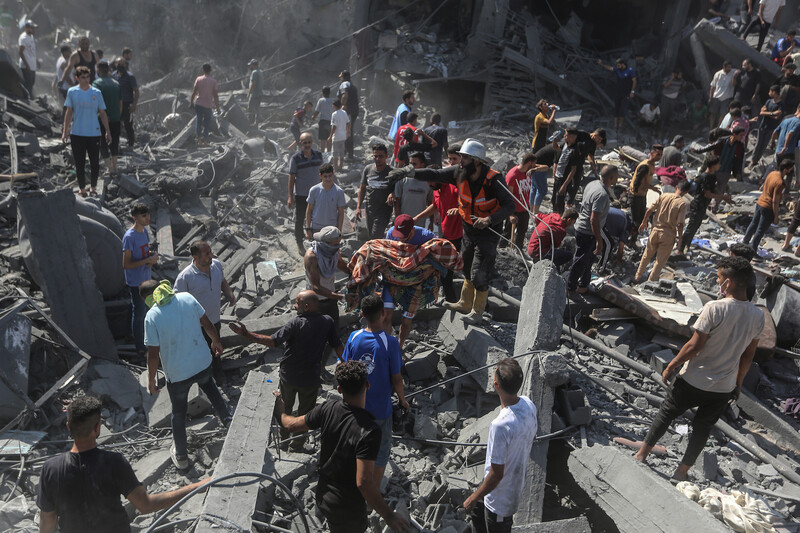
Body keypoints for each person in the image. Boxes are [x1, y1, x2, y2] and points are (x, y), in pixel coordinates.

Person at [634, 257, 764, 481]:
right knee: (702, 428)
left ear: (730, 282)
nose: (717, 281)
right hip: (723, 386)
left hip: (694, 379)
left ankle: (641, 454)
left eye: (720, 278)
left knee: (666, 413)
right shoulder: (758, 316)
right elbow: (748, 356)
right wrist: (738, 384)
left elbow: (695, 345)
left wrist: (672, 365)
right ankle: (681, 472)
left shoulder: (714, 308)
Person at [36, 396, 211, 533]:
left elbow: (48, 520)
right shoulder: (113, 462)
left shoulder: (50, 469)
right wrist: (196, 486)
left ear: (68, 427)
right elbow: (145, 505)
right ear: (97, 427)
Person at [274, 361, 410, 533]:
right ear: (367, 385)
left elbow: (291, 425)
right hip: (348, 508)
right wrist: (389, 516)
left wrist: (280, 410)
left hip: (324, 497)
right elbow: (364, 482)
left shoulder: (327, 408)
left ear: (339, 389)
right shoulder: (369, 431)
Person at [402, 139, 515, 323]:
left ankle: (478, 312)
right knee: (467, 266)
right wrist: (411, 172)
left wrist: (489, 219)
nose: (460, 162)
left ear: (477, 161)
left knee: (480, 273)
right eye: (460, 157)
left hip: (488, 232)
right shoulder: (458, 173)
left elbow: (510, 205)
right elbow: (435, 173)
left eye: (465, 158)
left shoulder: (494, 179)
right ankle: (464, 302)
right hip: (469, 229)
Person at [231, 291, 343, 442]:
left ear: (307, 306)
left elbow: (272, 341)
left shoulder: (295, 323)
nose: (295, 306)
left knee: (285, 409)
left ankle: (283, 440)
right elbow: (338, 346)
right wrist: (346, 365)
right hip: (310, 379)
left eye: (297, 303)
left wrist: (246, 334)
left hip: (288, 377)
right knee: (306, 414)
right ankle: (297, 444)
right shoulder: (327, 322)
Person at [142, 280, 231, 469]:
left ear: (148, 299)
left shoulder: (152, 316)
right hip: (202, 362)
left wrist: (151, 380)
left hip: (178, 374)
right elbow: (207, 323)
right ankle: (229, 422)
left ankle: (181, 457)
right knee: (212, 390)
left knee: (178, 412)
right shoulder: (187, 298)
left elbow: (153, 353)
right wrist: (216, 341)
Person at [463, 358, 537, 533]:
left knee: (492, 522)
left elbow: (497, 475)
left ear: (495, 384)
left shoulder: (500, 425)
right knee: (477, 515)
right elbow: (532, 437)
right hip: (497, 487)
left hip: (501, 500)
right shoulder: (528, 404)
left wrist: (473, 497)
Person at [342, 294, 409, 485]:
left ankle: (356, 483)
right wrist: (403, 401)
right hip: (381, 410)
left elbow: (344, 367)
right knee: (380, 451)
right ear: (383, 313)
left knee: (357, 446)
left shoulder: (354, 337)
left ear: (362, 314)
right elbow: (397, 378)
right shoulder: (391, 343)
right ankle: (373, 492)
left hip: (356, 408)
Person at [174, 240, 236, 377]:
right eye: (207, 253)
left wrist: (229, 293)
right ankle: (204, 381)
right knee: (200, 355)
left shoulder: (216, 265)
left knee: (216, 350)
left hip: (214, 320)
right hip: (196, 326)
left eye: (210, 252)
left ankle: (218, 376)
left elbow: (222, 281)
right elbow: (177, 304)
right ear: (195, 257)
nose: (211, 256)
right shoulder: (185, 278)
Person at [384, 214, 437, 346]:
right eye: (398, 237)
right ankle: (386, 346)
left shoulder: (427, 237)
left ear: (412, 231)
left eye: (404, 237)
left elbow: (440, 256)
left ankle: (399, 345)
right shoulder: (391, 234)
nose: (400, 241)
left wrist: (430, 270)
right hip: (393, 279)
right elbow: (385, 253)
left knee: (407, 321)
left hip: (416, 284)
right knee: (386, 314)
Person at [567, 165, 618, 296]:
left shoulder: (593, 183)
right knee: (580, 261)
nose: (617, 179)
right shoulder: (602, 195)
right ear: (611, 178)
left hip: (583, 229)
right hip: (587, 232)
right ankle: (570, 289)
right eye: (616, 177)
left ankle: (583, 286)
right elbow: (594, 219)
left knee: (588, 260)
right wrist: (599, 240)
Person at [62, 66, 112, 197]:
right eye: (83, 77)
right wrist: (65, 131)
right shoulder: (72, 92)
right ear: (77, 78)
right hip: (77, 133)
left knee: (94, 162)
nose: (86, 80)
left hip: (94, 133)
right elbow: (69, 112)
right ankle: (82, 188)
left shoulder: (96, 92)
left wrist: (108, 131)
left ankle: (93, 187)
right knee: (79, 162)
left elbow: (103, 113)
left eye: (88, 77)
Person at [634, 181, 690, 283]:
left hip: (655, 230)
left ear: (676, 187)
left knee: (646, 255)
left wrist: (644, 222)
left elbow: (649, 210)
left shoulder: (664, 196)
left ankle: (637, 277)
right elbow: (680, 224)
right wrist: (680, 239)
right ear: (686, 192)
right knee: (659, 261)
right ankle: (650, 282)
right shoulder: (682, 204)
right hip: (668, 234)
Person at [678, 155, 733, 254]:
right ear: (713, 165)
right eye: (718, 164)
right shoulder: (704, 177)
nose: (720, 165)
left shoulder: (712, 176)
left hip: (703, 205)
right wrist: (723, 197)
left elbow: (714, 189)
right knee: (691, 227)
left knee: (696, 226)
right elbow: (707, 194)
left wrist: (725, 198)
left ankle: (687, 246)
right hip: (698, 204)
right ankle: (680, 249)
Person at [122, 203, 156, 356]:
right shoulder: (129, 237)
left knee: (135, 307)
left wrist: (151, 259)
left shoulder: (145, 232)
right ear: (134, 217)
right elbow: (126, 264)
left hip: (145, 277)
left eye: (148, 215)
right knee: (140, 312)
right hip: (136, 281)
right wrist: (146, 261)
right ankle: (140, 347)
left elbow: (144, 252)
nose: (147, 218)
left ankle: (129, 334)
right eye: (144, 216)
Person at [304, 226, 350, 327]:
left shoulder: (333, 250)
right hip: (316, 301)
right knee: (319, 332)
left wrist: (357, 274)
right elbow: (316, 287)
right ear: (326, 243)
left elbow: (340, 263)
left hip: (330, 296)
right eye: (335, 244)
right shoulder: (312, 257)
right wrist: (341, 297)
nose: (338, 246)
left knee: (333, 328)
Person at [745, 159, 794, 250]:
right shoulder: (780, 183)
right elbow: (775, 201)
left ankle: (744, 243)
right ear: (785, 170)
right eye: (790, 169)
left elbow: (765, 187)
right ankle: (752, 249)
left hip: (760, 202)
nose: (791, 171)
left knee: (753, 224)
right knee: (760, 230)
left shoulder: (772, 173)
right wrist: (776, 216)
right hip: (768, 207)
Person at [289, 132, 324, 255]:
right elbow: (292, 178)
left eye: (309, 142)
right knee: (300, 219)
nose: (307, 145)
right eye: (305, 143)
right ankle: (299, 243)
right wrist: (290, 197)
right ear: (300, 143)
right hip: (301, 195)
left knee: (317, 218)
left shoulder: (318, 155)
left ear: (312, 142)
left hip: (317, 194)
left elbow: (323, 174)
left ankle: (316, 241)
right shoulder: (295, 158)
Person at [692, 127, 746, 203]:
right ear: (734, 134)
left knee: (721, 190)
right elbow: (711, 146)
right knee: (709, 188)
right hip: (715, 169)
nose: (742, 137)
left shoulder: (740, 146)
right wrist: (698, 151)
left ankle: (714, 208)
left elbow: (739, 161)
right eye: (741, 135)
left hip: (726, 170)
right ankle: (704, 203)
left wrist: (738, 173)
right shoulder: (722, 141)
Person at [357, 144, 394, 239]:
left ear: (386, 156)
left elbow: (397, 190)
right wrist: (358, 207)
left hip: (384, 210)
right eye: (375, 156)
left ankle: (373, 253)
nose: (378, 159)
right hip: (370, 209)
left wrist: (392, 194)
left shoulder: (392, 172)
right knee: (371, 235)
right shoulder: (368, 169)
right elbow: (362, 189)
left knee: (375, 236)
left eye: (381, 156)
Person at [93, 61, 122, 176]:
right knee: (114, 142)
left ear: (98, 70)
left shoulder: (96, 84)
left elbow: (95, 103)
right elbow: (121, 103)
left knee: (102, 143)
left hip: (102, 119)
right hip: (115, 118)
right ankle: (115, 166)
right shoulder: (116, 84)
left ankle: (109, 168)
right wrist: (117, 116)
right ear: (109, 69)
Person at [629, 144, 664, 238]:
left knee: (641, 219)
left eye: (661, 155)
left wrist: (653, 189)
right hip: (636, 196)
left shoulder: (652, 165)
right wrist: (636, 191)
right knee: (636, 220)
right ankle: (629, 241)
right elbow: (637, 181)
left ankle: (634, 239)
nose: (659, 157)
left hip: (642, 195)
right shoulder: (645, 166)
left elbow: (645, 181)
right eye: (658, 154)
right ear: (651, 153)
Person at [501, 153, 534, 252]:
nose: (535, 167)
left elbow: (543, 167)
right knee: (507, 234)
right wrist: (510, 214)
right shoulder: (512, 175)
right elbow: (507, 196)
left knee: (522, 233)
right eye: (534, 164)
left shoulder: (528, 172)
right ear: (529, 163)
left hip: (525, 208)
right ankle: (501, 252)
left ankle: (518, 252)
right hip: (514, 210)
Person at [305, 163, 346, 236]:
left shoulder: (339, 192)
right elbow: (309, 210)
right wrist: (308, 228)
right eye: (325, 176)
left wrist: (339, 231)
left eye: (330, 176)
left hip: (332, 229)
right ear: (320, 176)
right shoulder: (314, 190)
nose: (328, 179)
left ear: (333, 174)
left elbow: (341, 213)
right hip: (316, 228)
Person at [750, 85, 784, 169]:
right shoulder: (769, 101)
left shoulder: (781, 104)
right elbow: (762, 112)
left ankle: (756, 160)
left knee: (763, 145)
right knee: (758, 143)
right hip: (763, 125)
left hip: (771, 128)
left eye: (770, 91)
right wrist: (772, 113)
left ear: (774, 92)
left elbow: (777, 116)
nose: (769, 93)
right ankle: (752, 161)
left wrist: (767, 113)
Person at [598, 58, 636, 130]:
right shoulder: (618, 70)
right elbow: (609, 68)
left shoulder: (630, 71)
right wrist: (601, 64)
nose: (617, 67)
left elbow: (634, 81)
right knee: (616, 109)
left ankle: (620, 125)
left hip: (626, 93)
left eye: (618, 65)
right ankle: (616, 126)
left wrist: (632, 91)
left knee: (622, 109)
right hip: (618, 93)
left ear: (623, 64)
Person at [553, 129, 581, 215]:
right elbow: (556, 148)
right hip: (558, 177)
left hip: (563, 179)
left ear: (573, 137)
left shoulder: (574, 150)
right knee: (554, 200)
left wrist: (564, 185)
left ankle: (560, 218)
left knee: (559, 201)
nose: (564, 136)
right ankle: (554, 217)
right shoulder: (565, 144)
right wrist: (554, 140)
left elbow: (573, 170)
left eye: (566, 135)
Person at [190, 64, 220, 144]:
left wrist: (191, 102)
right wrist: (218, 108)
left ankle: (199, 140)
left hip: (199, 104)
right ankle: (205, 141)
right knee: (207, 123)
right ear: (210, 71)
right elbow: (215, 96)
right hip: (208, 105)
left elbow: (194, 92)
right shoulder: (213, 81)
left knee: (198, 122)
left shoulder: (199, 79)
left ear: (203, 70)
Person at [531, 138, 560, 215]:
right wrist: (555, 176)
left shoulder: (556, 146)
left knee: (534, 188)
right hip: (539, 166)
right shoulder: (560, 149)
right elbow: (555, 164)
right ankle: (535, 212)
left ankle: (531, 209)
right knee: (542, 190)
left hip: (534, 163)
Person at [115, 60, 138, 148]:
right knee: (116, 123)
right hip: (117, 103)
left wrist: (134, 105)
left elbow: (136, 91)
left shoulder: (130, 76)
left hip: (127, 103)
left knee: (128, 124)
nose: (120, 65)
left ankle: (131, 143)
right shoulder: (114, 75)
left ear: (125, 65)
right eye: (118, 63)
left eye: (122, 63)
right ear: (116, 64)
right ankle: (115, 143)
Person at [338, 70, 360, 160]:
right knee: (348, 131)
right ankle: (347, 153)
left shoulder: (345, 84)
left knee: (347, 132)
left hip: (348, 112)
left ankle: (348, 155)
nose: (340, 78)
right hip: (353, 111)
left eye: (341, 77)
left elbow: (345, 95)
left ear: (343, 77)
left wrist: (342, 106)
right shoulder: (352, 85)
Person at [709, 61, 737, 130]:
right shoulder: (718, 74)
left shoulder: (733, 72)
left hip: (727, 97)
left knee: (723, 114)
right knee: (713, 113)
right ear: (724, 67)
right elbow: (712, 86)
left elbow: (740, 70)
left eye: (730, 67)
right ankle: (711, 128)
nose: (729, 69)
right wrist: (710, 97)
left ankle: (718, 129)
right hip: (716, 96)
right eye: (728, 67)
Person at [329, 99, 351, 172]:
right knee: (341, 153)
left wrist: (330, 136)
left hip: (336, 137)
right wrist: (347, 133)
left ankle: (335, 169)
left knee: (335, 154)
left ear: (334, 106)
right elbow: (348, 123)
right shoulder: (344, 112)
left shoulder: (334, 114)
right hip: (343, 136)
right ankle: (340, 167)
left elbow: (334, 127)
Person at [18, 20, 38, 96]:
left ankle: (29, 97)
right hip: (26, 66)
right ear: (27, 28)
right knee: (27, 84)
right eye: (32, 28)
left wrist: (36, 61)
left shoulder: (31, 37)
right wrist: (27, 65)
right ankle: (26, 99)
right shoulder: (23, 37)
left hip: (32, 65)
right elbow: (20, 52)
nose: (33, 30)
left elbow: (32, 50)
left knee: (32, 83)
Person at [312, 86, 334, 152]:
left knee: (323, 140)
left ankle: (322, 154)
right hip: (331, 122)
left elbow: (317, 111)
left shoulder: (321, 100)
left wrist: (313, 117)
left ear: (322, 93)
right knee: (329, 139)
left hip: (323, 122)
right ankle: (329, 155)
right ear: (329, 93)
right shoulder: (333, 100)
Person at [246, 58, 263, 124]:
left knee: (250, 108)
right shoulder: (260, 72)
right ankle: (257, 122)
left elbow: (253, 83)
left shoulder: (254, 72)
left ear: (253, 65)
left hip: (254, 94)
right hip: (260, 93)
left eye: (251, 65)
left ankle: (250, 122)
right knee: (257, 109)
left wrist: (249, 93)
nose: (250, 67)